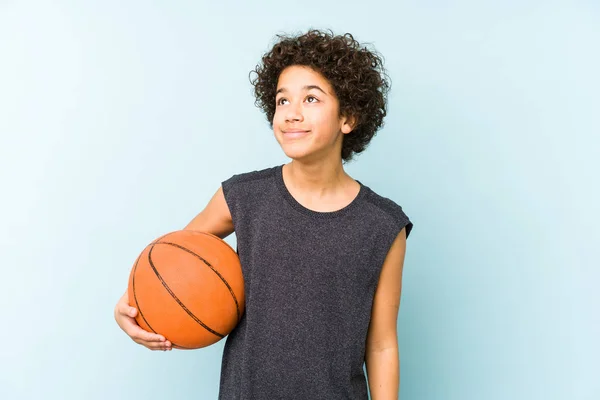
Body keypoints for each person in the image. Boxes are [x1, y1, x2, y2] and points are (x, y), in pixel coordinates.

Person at [114, 28, 413, 399]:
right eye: (282, 101)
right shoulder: (242, 197)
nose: (292, 114)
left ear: (348, 117)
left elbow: (382, 345)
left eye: (312, 99)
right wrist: (131, 307)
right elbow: (170, 268)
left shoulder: (382, 225)